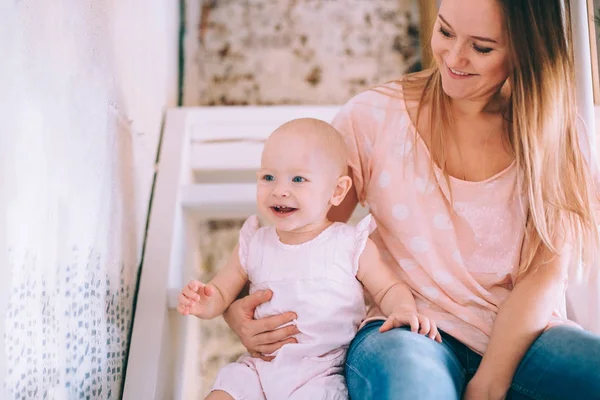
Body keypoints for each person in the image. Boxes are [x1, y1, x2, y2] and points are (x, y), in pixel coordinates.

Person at [222, 0, 600, 399]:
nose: (454, 57)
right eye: (445, 31)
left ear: (526, 48)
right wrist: (236, 307)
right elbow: (297, 234)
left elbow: (543, 275)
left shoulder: (558, 136)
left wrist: (489, 383)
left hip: (523, 339)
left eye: (482, 47)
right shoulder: (375, 116)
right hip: (401, 330)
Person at [178, 118, 441, 400]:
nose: (279, 189)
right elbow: (221, 290)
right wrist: (205, 301)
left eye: (298, 179)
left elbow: (388, 288)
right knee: (223, 393)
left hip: (321, 373)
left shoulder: (349, 244)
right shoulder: (255, 242)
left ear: (337, 191)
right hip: (260, 368)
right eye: (268, 177)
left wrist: (401, 309)